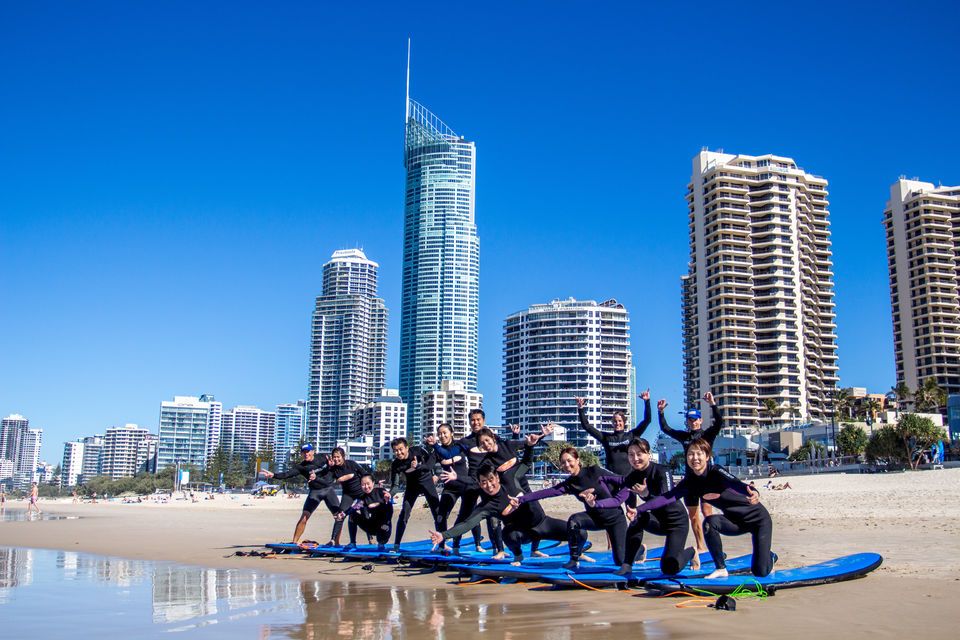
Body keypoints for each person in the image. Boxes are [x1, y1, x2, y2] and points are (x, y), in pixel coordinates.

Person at [632, 438, 774, 578]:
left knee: (760, 572)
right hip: (735, 522)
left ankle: (770, 557)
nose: (695, 458)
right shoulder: (689, 482)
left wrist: (754, 492)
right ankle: (721, 568)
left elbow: (736, 483)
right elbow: (666, 497)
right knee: (709, 523)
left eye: (699, 454)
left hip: (758, 520)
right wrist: (639, 509)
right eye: (690, 454)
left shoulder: (716, 472)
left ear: (707, 456)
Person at [430, 449, 582, 566]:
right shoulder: (487, 506)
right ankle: (518, 555)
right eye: (483, 482)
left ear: (496, 477)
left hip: (543, 523)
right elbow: (468, 523)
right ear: (479, 484)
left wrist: (530, 446)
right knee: (507, 533)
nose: (489, 485)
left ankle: (577, 553)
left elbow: (526, 464)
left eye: (491, 480)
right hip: (524, 534)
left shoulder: (511, 479)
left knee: (580, 533)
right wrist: (444, 535)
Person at [586, 438, 695, 576]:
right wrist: (595, 504)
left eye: (639, 454)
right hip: (658, 521)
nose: (635, 458)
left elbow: (665, 498)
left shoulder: (662, 471)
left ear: (648, 454)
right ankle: (627, 565)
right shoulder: (632, 477)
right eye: (631, 454)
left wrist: (646, 494)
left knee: (669, 568)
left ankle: (691, 552)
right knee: (637, 519)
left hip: (676, 523)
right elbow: (618, 499)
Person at [512, 447, 629, 573]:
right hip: (595, 519)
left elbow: (624, 482)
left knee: (620, 560)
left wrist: (618, 500)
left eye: (569, 460)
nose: (567, 465)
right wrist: (521, 499)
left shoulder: (595, 471)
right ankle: (574, 559)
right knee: (574, 520)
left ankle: (639, 550)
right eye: (563, 462)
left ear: (577, 460)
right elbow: (547, 492)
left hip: (615, 518)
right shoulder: (570, 483)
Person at [658, 392, 722, 560]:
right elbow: (666, 429)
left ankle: (713, 545)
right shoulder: (685, 437)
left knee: (707, 512)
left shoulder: (707, 435)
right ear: (687, 421)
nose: (693, 422)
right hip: (690, 482)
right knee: (693, 516)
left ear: (700, 420)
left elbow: (719, 423)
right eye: (690, 420)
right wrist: (661, 412)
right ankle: (701, 546)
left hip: (707, 481)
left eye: (696, 420)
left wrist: (713, 404)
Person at [259, 444, 336, 545]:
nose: (306, 454)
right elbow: (287, 474)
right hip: (315, 492)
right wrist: (273, 475)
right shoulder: (301, 467)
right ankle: (294, 543)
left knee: (338, 516)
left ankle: (335, 542)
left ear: (313, 451)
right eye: (303, 452)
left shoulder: (323, 457)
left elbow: (337, 464)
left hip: (328, 490)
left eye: (308, 451)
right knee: (304, 517)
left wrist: (333, 465)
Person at [574, 389, 653, 475]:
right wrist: (580, 408)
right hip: (611, 479)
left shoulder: (631, 436)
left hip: (629, 478)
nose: (617, 423)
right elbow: (587, 426)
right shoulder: (606, 438)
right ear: (612, 423)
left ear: (624, 422)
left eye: (619, 421)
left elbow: (647, 420)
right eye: (615, 421)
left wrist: (647, 401)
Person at [389, 436, 443, 552]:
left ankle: (442, 544)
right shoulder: (396, 464)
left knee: (437, 512)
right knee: (404, 514)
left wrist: (436, 475)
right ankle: (396, 545)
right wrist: (389, 494)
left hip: (427, 482)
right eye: (396, 451)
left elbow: (433, 459)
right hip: (412, 487)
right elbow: (395, 486)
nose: (399, 452)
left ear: (407, 447)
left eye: (401, 449)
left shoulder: (418, 450)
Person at [432, 423, 474, 551]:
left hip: (465, 485)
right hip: (450, 488)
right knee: (440, 516)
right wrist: (434, 475)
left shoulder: (459, 447)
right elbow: (429, 464)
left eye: (445, 432)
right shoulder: (437, 451)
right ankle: (442, 544)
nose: (442, 435)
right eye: (439, 434)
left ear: (451, 433)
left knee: (469, 516)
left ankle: (477, 544)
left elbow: (472, 459)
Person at [327, 447, 373, 545]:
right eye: (334, 457)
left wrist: (372, 485)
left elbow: (365, 474)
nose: (336, 459)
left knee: (365, 514)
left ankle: (370, 539)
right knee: (340, 514)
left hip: (361, 493)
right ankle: (333, 540)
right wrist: (336, 477)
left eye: (338, 457)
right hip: (348, 494)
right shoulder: (333, 469)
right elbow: (328, 480)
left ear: (343, 456)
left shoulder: (351, 464)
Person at [339, 474, 394, 550]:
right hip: (372, 526)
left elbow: (390, 509)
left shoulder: (381, 492)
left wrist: (384, 501)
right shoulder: (363, 498)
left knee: (382, 530)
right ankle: (352, 543)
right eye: (363, 485)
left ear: (373, 483)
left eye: (368, 484)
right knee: (352, 515)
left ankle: (381, 543)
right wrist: (344, 513)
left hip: (384, 527)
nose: (366, 487)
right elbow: (355, 508)